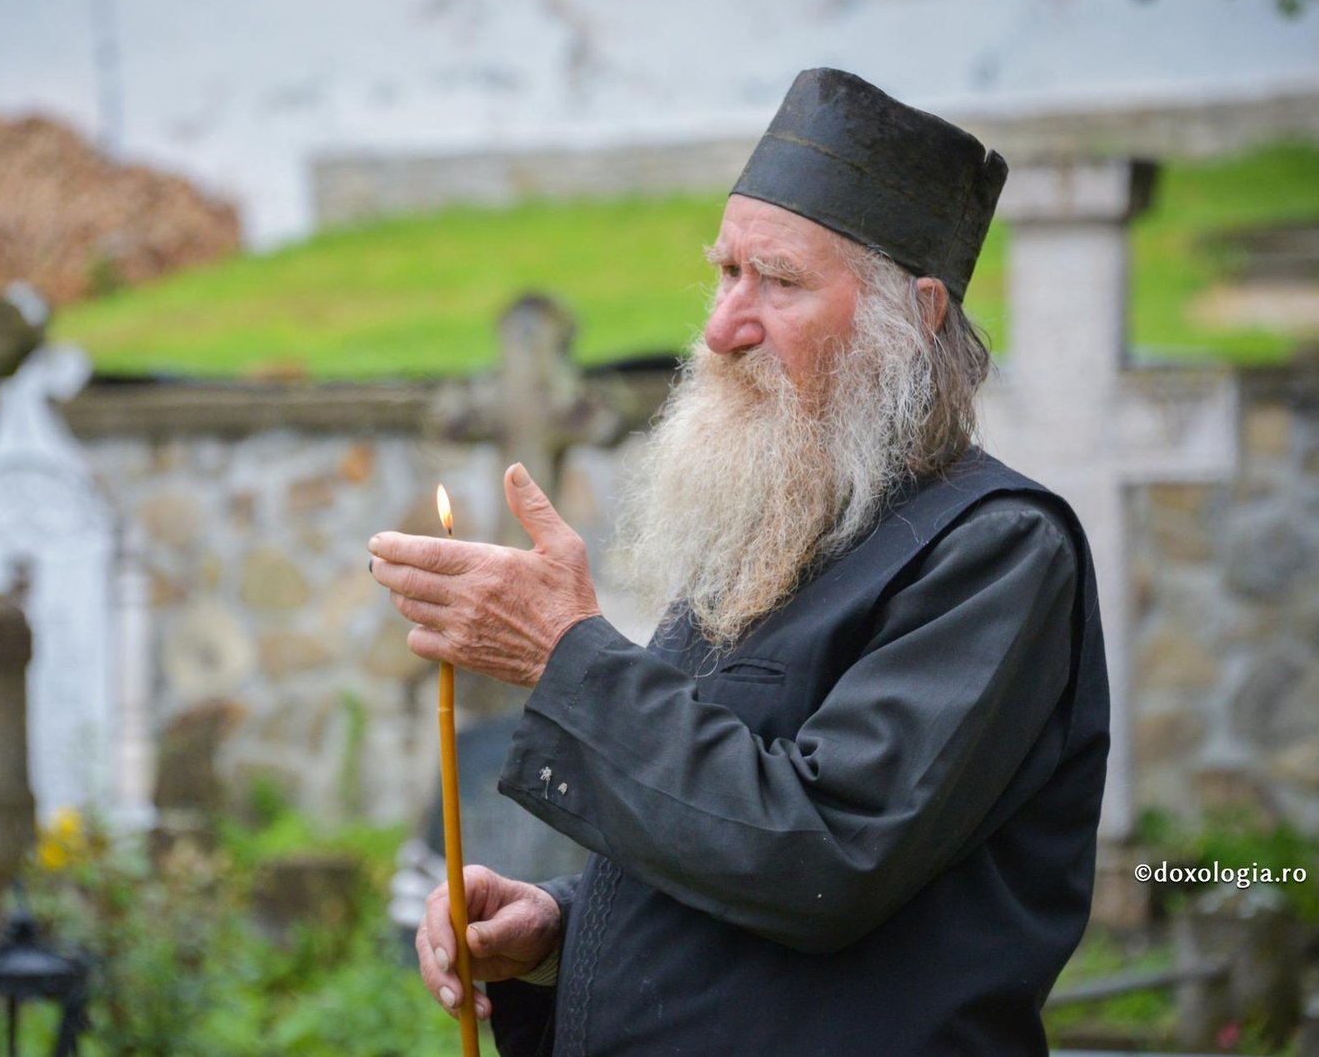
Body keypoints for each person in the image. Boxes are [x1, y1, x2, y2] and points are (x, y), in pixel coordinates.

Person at [368, 67, 1109, 1056]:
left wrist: (565, 656)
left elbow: (823, 857)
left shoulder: (996, 552)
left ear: (917, 312)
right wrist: (557, 925)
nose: (722, 329)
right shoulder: (782, 523)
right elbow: (714, 831)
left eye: (780, 282)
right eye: (725, 273)